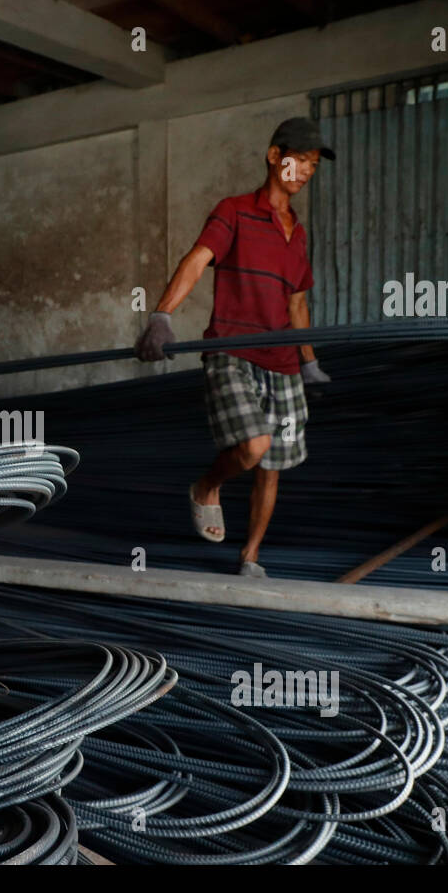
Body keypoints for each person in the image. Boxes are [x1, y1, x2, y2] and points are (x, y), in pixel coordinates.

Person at [135, 117, 334, 576]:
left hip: (283, 359)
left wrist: (309, 362)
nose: (305, 171)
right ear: (273, 156)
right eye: (299, 160)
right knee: (254, 446)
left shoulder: (298, 233)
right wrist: (162, 315)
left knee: (272, 466)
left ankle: (251, 557)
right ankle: (206, 487)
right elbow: (197, 260)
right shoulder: (235, 211)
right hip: (233, 350)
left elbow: (297, 302)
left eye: (313, 165)